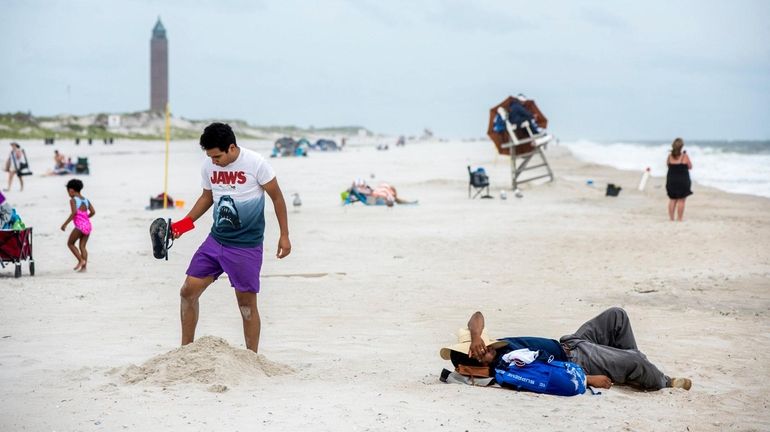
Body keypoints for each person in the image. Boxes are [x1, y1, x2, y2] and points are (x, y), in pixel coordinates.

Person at [173, 122, 291, 353]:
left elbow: (277, 198)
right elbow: (207, 198)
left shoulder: (256, 163)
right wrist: (183, 226)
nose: (213, 161)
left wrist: (284, 235)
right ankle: (185, 351)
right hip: (215, 241)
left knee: (246, 305)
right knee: (187, 291)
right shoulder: (209, 166)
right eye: (210, 156)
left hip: (245, 247)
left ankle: (251, 357)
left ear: (231, 148)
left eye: (217, 156)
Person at [441, 307, 692, 391]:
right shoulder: (506, 366)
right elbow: (546, 376)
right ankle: (663, 381)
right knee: (635, 360)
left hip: (571, 341)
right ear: (473, 364)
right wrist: (589, 379)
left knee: (617, 316)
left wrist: (475, 336)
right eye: (480, 350)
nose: (485, 347)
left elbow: (476, 315)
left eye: (482, 344)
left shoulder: (489, 346)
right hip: (577, 358)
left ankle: (625, 367)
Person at [60, 179, 95, 272]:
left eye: (68, 192)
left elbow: (74, 213)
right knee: (82, 247)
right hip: (88, 225)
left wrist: (65, 224)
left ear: (71, 190)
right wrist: (85, 217)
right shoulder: (86, 200)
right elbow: (93, 212)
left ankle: (81, 260)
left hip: (80, 226)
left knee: (70, 243)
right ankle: (84, 268)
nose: (68, 194)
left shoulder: (73, 200)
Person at [666, 138, 693, 221]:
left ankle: (671, 219)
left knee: (672, 199)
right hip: (683, 181)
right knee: (681, 200)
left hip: (672, 180)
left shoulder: (669, 156)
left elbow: (668, 165)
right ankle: (680, 218)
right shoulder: (685, 156)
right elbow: (690, 166)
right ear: (681, 147)